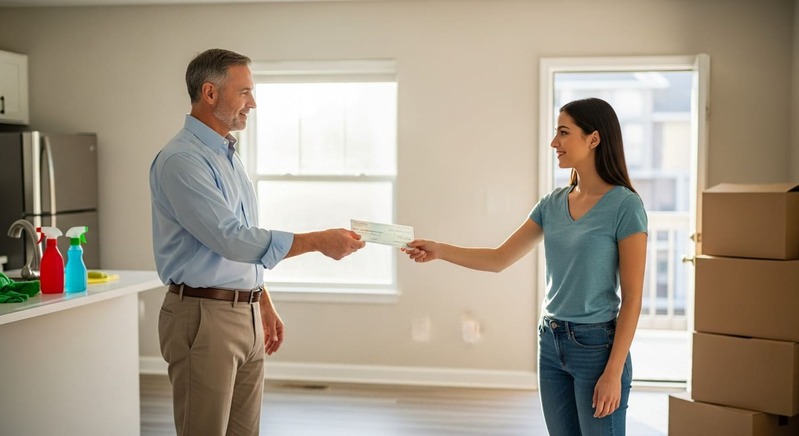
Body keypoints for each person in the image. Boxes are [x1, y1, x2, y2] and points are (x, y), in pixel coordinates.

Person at [149, 48, 365, 436]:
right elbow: (230, 239)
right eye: (245, 92)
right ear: (210, 93)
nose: (254, 103)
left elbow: (238, 236)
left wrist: (260, 299)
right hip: (204, 318)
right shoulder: (182, 161)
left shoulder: (227, 156)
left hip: (242, 314)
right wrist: (317, 241)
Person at [403, 97, 647, 435]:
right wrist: (439, 250)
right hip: (551, 342)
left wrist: (614, 371)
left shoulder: (625, 206)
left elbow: (633, 298)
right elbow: (499, 258)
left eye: (564, 132)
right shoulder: (551, 204)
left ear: (593, 138)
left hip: (597, 348)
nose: (554, 142)